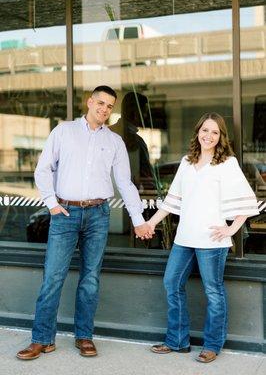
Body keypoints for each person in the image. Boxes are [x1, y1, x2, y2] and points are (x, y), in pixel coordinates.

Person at [16, 85, 153, 360]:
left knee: (90, 279)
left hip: (98, 215)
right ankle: (42, 339)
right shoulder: (64, 131)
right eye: (100, 103)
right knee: (53, 278)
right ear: (89, 102)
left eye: (109, 106)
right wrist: (52, 204)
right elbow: (43, 169)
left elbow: (125, 183)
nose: (104, 109)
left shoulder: (114, 142)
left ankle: (84, 336)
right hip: (65, 213)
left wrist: (138, 220)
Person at [145, 112, 259, 363]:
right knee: (172, 283)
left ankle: (212, 345)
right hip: (184, 238)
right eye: (205, 130)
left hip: (212, 241)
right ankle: (177, 341)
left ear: (221, 137)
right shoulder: (187, 162)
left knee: (213, 291)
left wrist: (231, 229)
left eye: (215, 132)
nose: (209, 136)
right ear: (198, 132)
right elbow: (172, 201)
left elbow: (248, 201)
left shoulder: (227, 163)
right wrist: (150, 223)